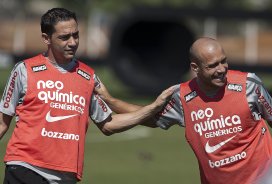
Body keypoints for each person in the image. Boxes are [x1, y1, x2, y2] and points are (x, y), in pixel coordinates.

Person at [0, 8, 175, 184]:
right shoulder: (25, 70)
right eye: (64, 37)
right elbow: (2, 123)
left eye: (76, 35)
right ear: (46, 38)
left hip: (66, 176)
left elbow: (108, 124)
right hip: (26, 167)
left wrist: (152, 108)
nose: (72, 42)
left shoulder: (88, 76)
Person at [96, 37, 272, 184]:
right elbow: (150, 118)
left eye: (223, 61)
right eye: (212, 66)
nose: (221, 70)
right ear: (195, 68)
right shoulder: (182, 96)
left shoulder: (249, 85)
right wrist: (110, 101)